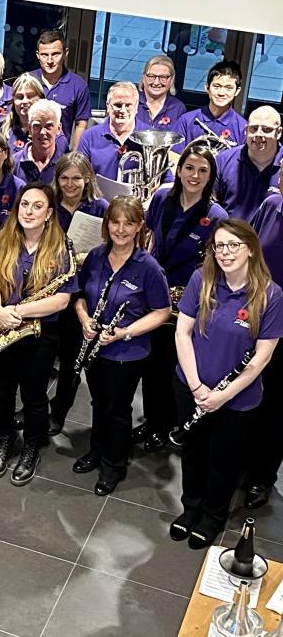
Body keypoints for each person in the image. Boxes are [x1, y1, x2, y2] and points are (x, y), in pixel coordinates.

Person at [171, 219, 283, 548]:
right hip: (192, 387)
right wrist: (196, 387)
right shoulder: (201, 279)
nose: (225, 252)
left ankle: (212, 516)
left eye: (233, 245)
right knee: (192, 453)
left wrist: (222, 396)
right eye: (219, 245)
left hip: (236, 400)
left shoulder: (270, 295)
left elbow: (262, 357)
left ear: (250, 248)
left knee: (224, 459)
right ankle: (190, 508)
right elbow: (182, 333)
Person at [73, 197, 171, 495]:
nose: (121, 229)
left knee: (117, 409)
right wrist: (84, 319)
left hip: (126, 353)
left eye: (129, 223)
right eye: (115, 222)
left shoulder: (149, 267)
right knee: (98, 402)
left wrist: (125, 332)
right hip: (94, 346)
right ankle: (97, 449)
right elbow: (79, 295)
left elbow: (162, 311)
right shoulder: (95, 256)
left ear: (140, 226)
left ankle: (114, 465)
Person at [0, 183, 77, 485]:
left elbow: (62, 299)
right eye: (25, 205)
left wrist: (18, 312)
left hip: (39, 334)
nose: (29, 211)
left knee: (34, 396)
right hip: (3, 327)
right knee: (1, 392)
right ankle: (4, 439)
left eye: (38, 206)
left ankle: (32, 447)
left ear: (49, 213)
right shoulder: (4, 239)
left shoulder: (61, 248)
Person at [137, 145, 227, 450]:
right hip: (154, 294)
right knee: (150, 364)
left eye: (203, 170)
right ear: (179, 170)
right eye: (190, 168)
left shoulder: (216, 216)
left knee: (171, 366)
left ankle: (170, 426)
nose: (195, 175)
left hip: (185, 303)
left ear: (211, 176)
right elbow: (149, 240)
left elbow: (215, 268)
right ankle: (152, 422)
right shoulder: (162, 197)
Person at [47, 153, 108, 435]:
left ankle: (59, 411)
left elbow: (111, 249)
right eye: (64, 178)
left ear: (87, 179)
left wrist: (89, 256)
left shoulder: (101, 207)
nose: (70, 184)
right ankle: (35, 404)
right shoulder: (48, 205)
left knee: (72, 360)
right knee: (43, 356)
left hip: (83, 292)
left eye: (76, 178)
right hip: (49, 289)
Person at [246, 172, 283, 508]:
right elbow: (251, 251)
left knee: (276, 406)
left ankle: (262, 477)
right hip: (258, 315)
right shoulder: (272, 205)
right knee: (249, 391)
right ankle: (243, 464)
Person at [214, 106, 282, 221]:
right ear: (246, 131)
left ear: (279, 132)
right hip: (227, 235)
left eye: (266, 129)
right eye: (254, 128)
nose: (259, 134)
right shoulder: (223, 160)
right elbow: (210, 205)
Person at [31, 29, 91, 148]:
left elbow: (81, 124)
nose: (50, 61)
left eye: (55, 54)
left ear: (65, 53)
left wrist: (75, 156)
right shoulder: (28, 81)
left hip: (59, 155)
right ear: (37, 55)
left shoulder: (78, 86)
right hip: (28, 153)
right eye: (44, 55)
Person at [173, 60, 248, 153]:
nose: (221, 93)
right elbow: (174, 157)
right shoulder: (186, 121)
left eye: (229, 88)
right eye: (216, 86)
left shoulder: (242, 128)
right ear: (207, 87)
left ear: (237, 91)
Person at [77, 82, 142, 182]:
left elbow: (166, 181)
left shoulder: (151, 136)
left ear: (136, 106)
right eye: (118, 105)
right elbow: (78, 174)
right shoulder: (89, 137)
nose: (123, 110)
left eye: (128, 105)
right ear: (108, 106)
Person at [13, 99, 66, 184]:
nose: (42, 132)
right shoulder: (13, 163)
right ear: (30, 129)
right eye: (37, 126)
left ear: (59, 128)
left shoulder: (66, 165)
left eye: (49, 126)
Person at [135, 55, 186, 132]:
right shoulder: (131, 101)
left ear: (171, 79)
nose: (156, 83)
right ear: (144, 77)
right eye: (151, 76)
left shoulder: (177, 108)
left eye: (163, 77)